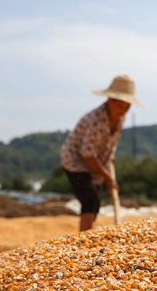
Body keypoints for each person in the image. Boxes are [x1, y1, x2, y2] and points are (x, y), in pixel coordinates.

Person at [60, 75, 145, 232]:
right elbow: (88, 154)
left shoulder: (120, 119)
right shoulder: (96, 120)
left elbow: (111, 143)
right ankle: (84, 239)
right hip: (75, 162)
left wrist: (109, 156)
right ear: (110, 100)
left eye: (127, 106)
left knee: (96, 202)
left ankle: (89, 233)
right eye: (120, 105)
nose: (124, 110)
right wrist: (108, 177)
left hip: (96, 162)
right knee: (90, 198)